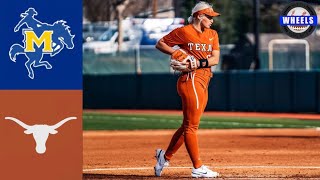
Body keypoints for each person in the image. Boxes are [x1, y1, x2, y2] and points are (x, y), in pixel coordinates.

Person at [154, 1, 220, 178]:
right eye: (209, 16)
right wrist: (176, 53)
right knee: (192, 126)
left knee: (187, 124)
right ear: (199, 15)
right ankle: (198, 167)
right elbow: (160, 44)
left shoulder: (213, 34)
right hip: (190, 79)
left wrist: (199, 62)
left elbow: (215, 59)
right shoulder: (184, 31)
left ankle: (164, 157)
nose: (212, 20)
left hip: (205, 79)